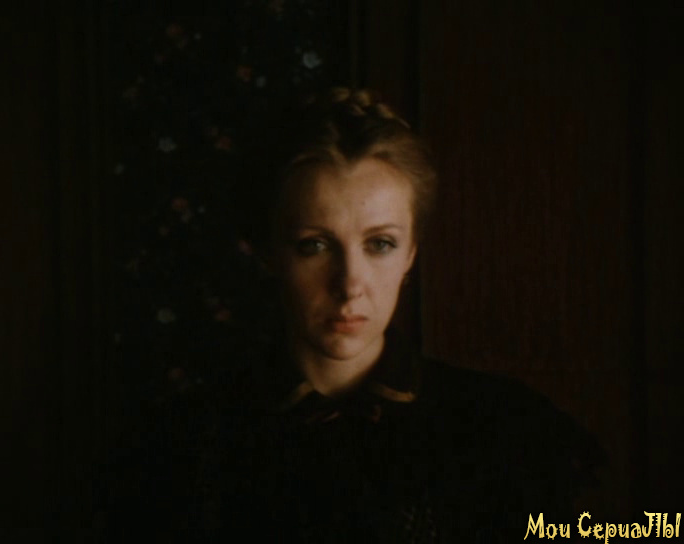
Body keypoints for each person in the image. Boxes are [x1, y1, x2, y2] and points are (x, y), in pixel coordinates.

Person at [181, 88, 604, 543]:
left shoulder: (503, 429)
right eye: (314, 245)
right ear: (269, 253)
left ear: (410, 255)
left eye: (380, 244)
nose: (350, 284)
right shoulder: (192, 443)